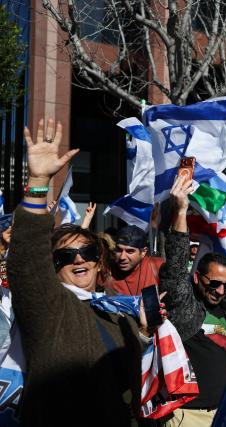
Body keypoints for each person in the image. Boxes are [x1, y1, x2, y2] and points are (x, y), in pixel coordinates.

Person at [7, 118, 153, 425]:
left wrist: (140, 334)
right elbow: (27, 258)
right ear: (53, 265)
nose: (78, 260)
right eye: (66, 256)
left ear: (100, 261)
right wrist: (38, 182)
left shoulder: (115, 308)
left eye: (86, 252)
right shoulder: (48, 307)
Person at [159, 176, 226, 426]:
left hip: (224, 413)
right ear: (197, 278)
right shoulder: (184, 303)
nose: (220, 291)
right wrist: (181, 209)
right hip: (186, 414)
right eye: (214, 283)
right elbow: (175, 263)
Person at [105, 225, 164, 296]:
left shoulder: (157, 266)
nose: (122, 257)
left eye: (130, 251)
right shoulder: (106, 271)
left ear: (143, 252)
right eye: (119, 250)